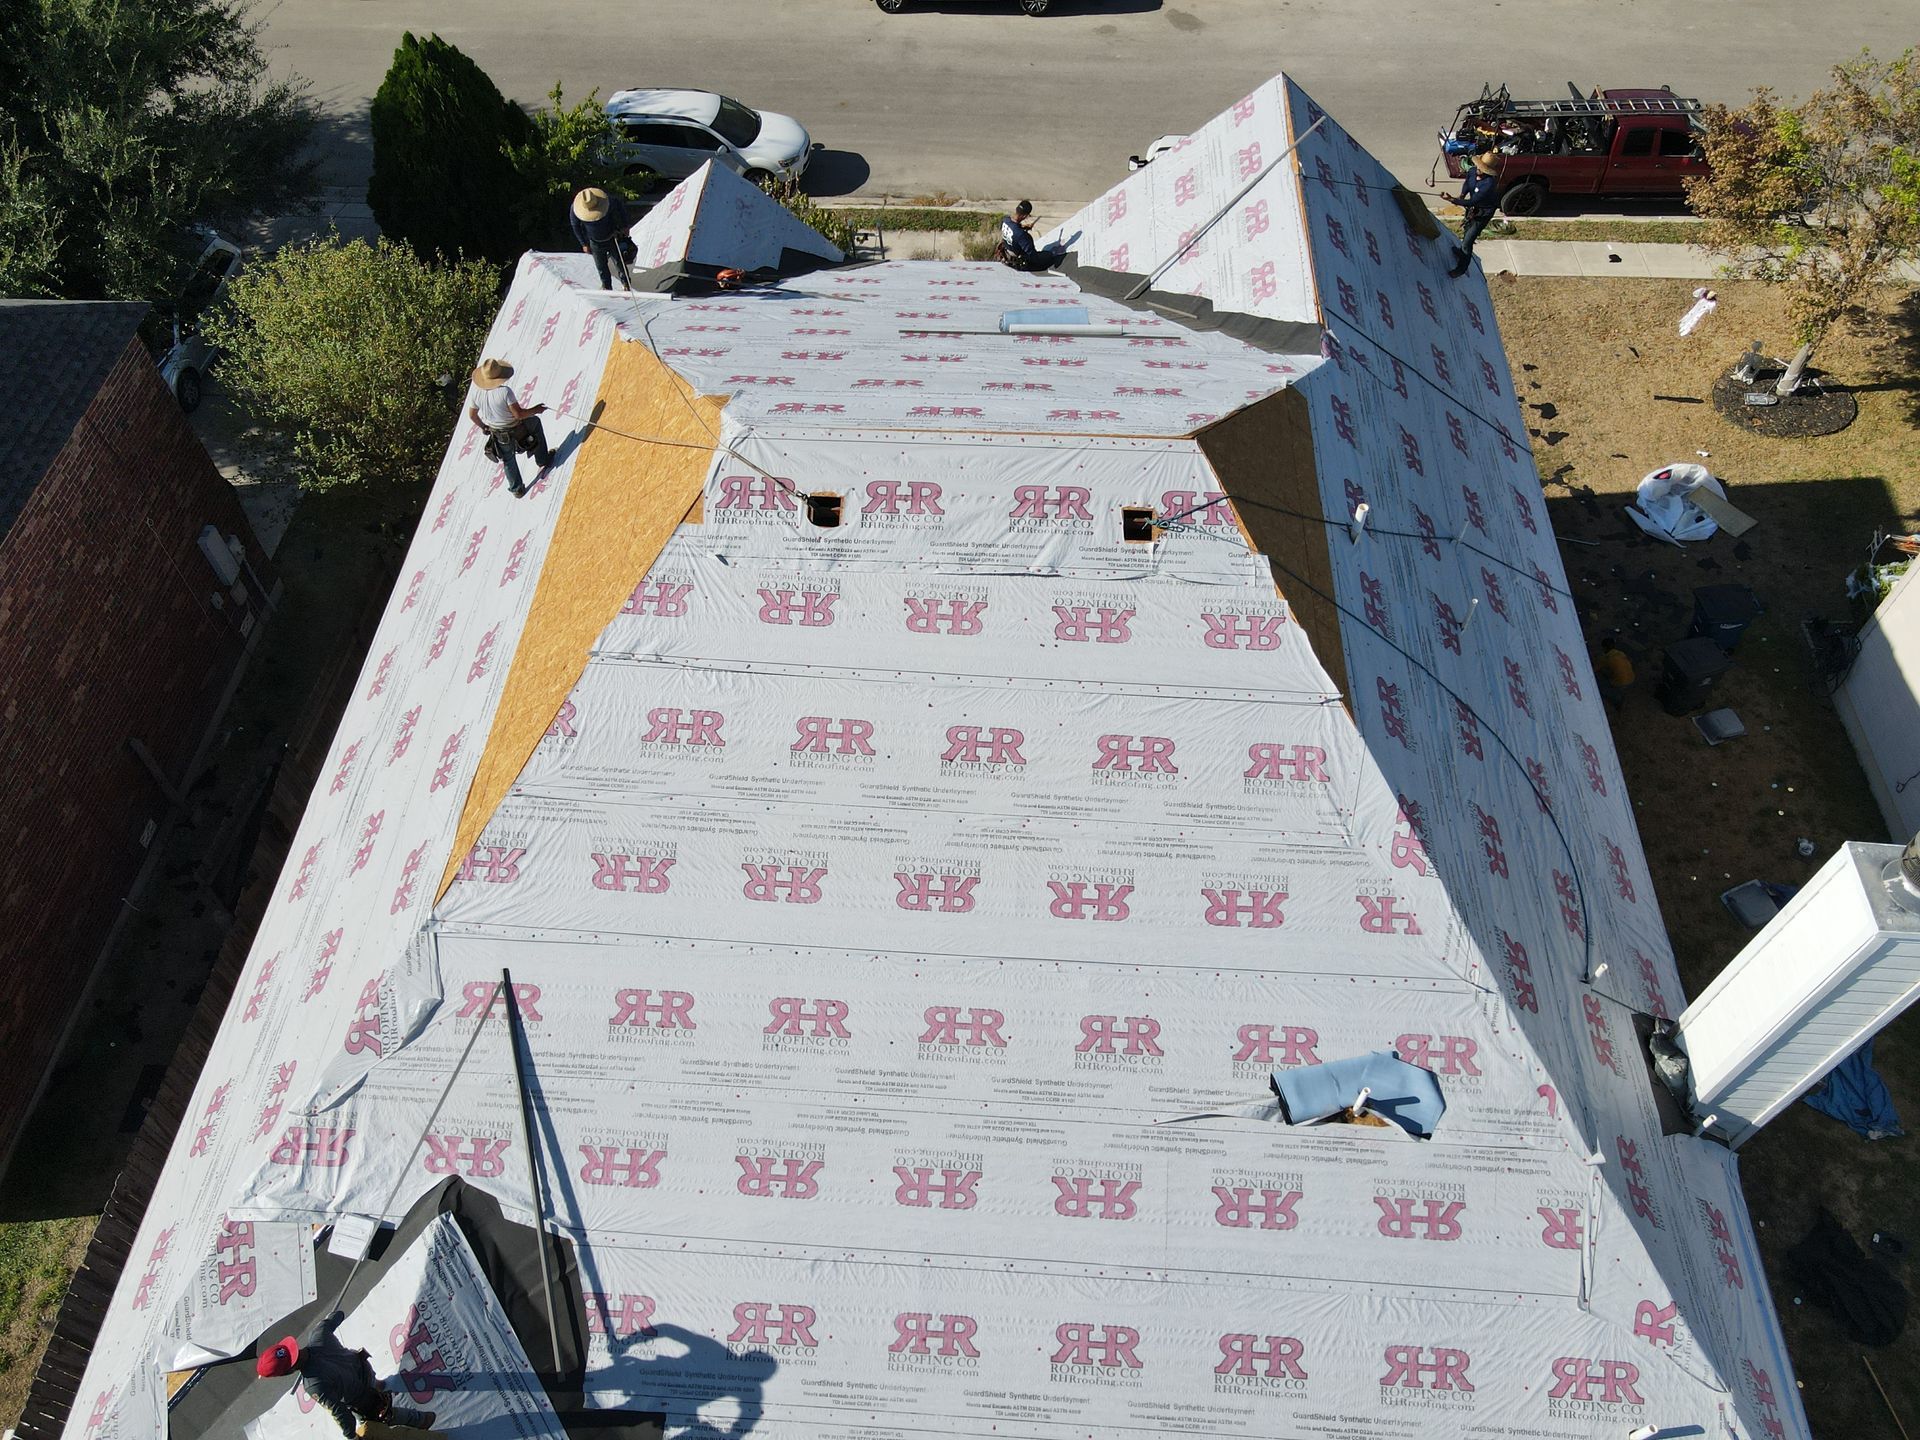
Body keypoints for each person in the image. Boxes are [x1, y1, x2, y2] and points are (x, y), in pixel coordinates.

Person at [256, 1311, 436, 1436]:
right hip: (363, 1368)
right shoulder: (318, 1334)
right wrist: (326, 1322)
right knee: (374, 1383)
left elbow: (341, 1413)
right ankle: (379, 1386)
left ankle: (423, 1420)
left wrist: (351, 1436)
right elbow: (338, 1315)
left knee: (387, 1415)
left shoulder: (314, 1385)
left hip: (362, 1398)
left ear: (287, 1371)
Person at [467, 358, 552, 499]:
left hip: (497, 433)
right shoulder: (505, 392)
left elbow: (472, 415)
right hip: (516, 429)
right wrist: (536, 409)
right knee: (535, 423)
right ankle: (542, 459)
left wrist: (483, 427)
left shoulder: (477, 393)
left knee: (507, 459)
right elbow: (519, 414)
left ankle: (517, 488)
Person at [570, 187, 637, 291]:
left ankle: (626, 284)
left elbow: (619, 206)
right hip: (594, 242)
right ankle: (606, 286)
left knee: (619, 263)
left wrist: (624, 226)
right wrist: (583, 244)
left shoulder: (608, 201)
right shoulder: (575, 209)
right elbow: (576, 226)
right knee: (601, 267)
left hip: (612, 237)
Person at [1447, 151, 1502, 278]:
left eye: (1483, 169)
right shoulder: (1472, 171)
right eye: (1479, 167)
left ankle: (1461, 268)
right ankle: (1461, 253)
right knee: (1467, 230)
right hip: (1472, 209)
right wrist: (1462, 194)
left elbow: (1473, 201)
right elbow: (1467, 183)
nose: (1479, 170)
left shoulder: (1489, 184)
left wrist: (1453, 200)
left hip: (1483, 213)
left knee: (1468, 241)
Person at [998, 200, 1064, 272]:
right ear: (1025, 216)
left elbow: (1013, 229)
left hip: (1007, 256)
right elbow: (1033, 257)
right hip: (1018, 263)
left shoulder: (1005, 220)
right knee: (1049, 256)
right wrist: (1050, 254)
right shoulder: (1022, 235)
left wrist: (1022, 227)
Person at [1597, 634, 1635, 712]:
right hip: (1631, 678)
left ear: (1605, 648)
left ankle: (1617, 702)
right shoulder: (1621, 653)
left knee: (1601, 686)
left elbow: (1595, 669)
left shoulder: (1606, 658)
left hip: (1621, 682)